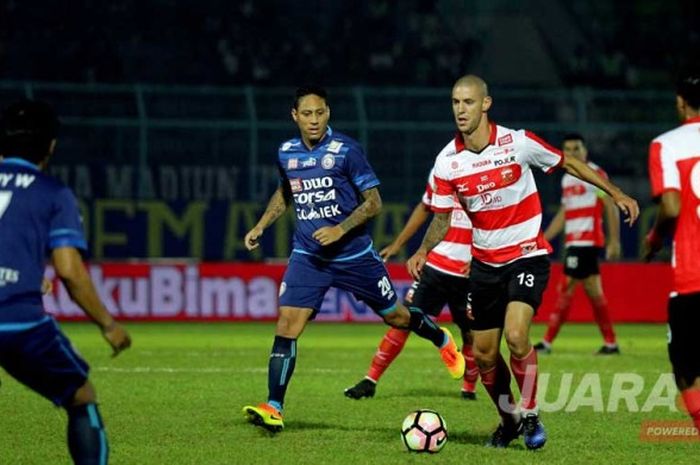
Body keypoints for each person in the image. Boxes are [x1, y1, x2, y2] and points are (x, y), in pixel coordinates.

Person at [407, 75, 639, 449]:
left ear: (486, 104)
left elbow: (571, 164)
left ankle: (531, 415)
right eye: (455, 102)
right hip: (484, 265)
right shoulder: (448, 162)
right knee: (483, 356)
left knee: (516, 336)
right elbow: (442, 217)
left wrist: (615, 193)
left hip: (526, 256)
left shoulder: (519, 143)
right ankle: (509, 418)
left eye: (468, 102)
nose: (460, 110)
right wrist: (422, 250)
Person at [241, 86, 464, 433]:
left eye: (320, 113)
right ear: (295, 116)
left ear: (327, 113)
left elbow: (374, 202)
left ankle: (440, 339)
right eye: (307, 114)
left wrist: (339, 229)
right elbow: (287, 191)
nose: (314, 120)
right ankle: (274, 405)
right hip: (309, 255)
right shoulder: (286, 153)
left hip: (354, 254)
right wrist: (261, 225)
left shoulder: (346, 150)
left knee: (397, 318)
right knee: (287, 325)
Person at [0, 100, 132, 464]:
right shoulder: (52, 193)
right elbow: (70, 271)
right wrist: (108, 325)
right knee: (81, 397)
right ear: (51, 145)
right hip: (18, 322)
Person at [344, 168, 479, 400]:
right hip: (434, 267)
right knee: (404, 321)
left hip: (469, 271)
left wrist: (481, 257)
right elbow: (424, 207)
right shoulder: (443, 168)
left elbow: (496, 220)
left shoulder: (485, 170)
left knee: (471, 333)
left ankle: (468, 389)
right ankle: (370, 380)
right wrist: (398, 244)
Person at [644, 71, 700, 435]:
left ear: (680, 103)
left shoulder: (666, 145)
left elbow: (672, 204)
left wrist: (655, 237)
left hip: (693, 276)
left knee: (685, 368)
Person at [533, 134, 621, 355]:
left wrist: (614, 240)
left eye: (576, 148)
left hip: (588, 241)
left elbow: (609, 205)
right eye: (568, 150)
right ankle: (610, 343)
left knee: (567, 286)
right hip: (574, 242)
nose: (572, 153)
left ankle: (547, 342)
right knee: (591, 290)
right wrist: (543, 238)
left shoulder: (596, 174)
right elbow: (564, 213)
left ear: (585, 150)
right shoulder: (567, 179)